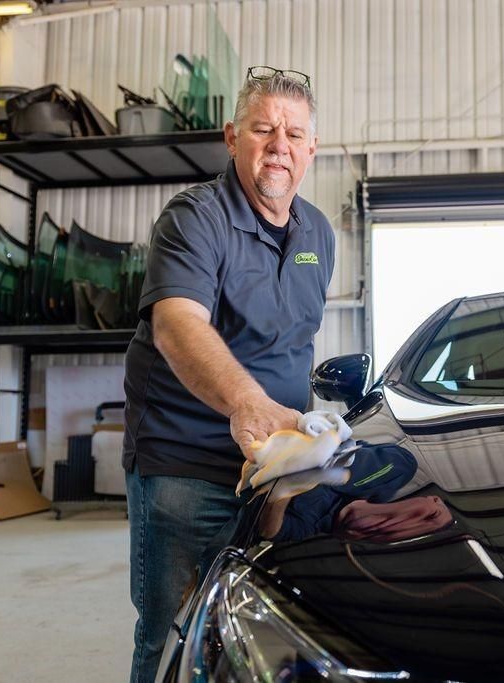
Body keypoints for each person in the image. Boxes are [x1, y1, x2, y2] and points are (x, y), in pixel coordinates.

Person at [121, 66, 333, 682]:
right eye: (263, 129)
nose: (279, 146)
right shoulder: (195, 218)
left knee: (264, 626)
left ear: (312, 149)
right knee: (174, 631)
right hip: (187, 465)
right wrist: (245, 402)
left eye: (294, 135)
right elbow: (177, 324)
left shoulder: (318, 231)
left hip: (279, 467)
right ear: (232, 137)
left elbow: (295, 341)